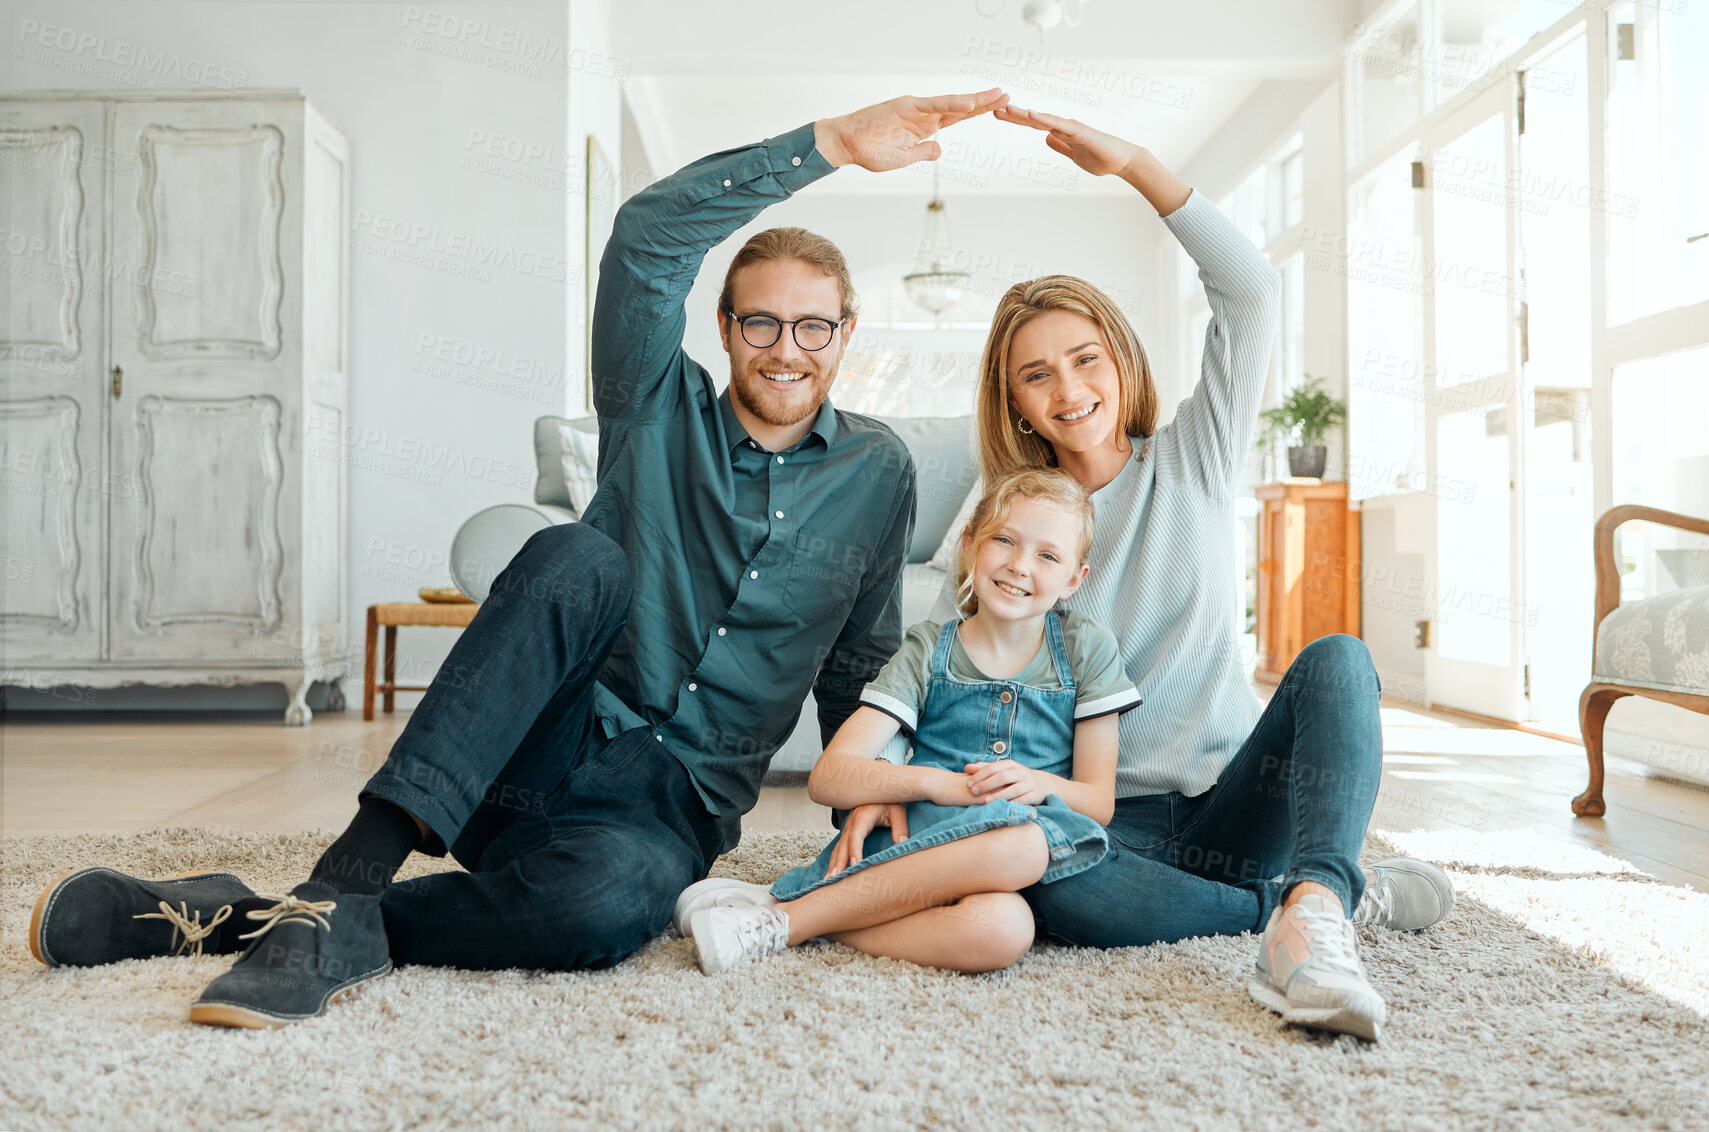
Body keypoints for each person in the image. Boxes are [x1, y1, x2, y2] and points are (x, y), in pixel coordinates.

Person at [25, 89, 1015, 1028]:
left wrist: (883, 794)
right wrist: (831, 144)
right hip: (536, 757)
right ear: (723, 328)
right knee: (575, 554)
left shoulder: (878, 471)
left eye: (812, 326)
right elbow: (644, 239)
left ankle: (267, 920)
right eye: (760, 321)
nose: (785, 349)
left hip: (669, 811)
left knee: (596, 915)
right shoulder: (651, 405)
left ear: (845, 335)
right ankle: (346, 879)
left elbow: (859, 658)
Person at [835, 104, 1454, 1043]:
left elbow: (1249, 293)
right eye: (1037, 375)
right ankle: (1277, 907)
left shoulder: (1193, 457)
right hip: (1100, 826)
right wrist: (894, 773)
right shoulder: (1011, 525)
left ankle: (1318, 903)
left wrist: (1135, 166)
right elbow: (964, 676)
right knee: (1032, 881)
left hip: (1235, 798)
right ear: (1017, 403)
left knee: (1337, 659)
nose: (1069, 389)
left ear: (1121, 360)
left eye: (1085, 358)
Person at [674, 467, 1140, 974]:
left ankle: (783, 913)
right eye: (1003, 540)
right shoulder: (926, 650)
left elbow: (1098, 802)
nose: (1020, 565)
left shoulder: (1086, 648)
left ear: (1074, 579)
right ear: (970, 546)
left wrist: (1034, 784)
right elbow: (830, 777)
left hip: (1008, 860)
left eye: (1048, 555)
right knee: (1026, 848)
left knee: (1005, 930)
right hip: (915, 838)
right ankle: (782, 925)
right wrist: (938, 786)